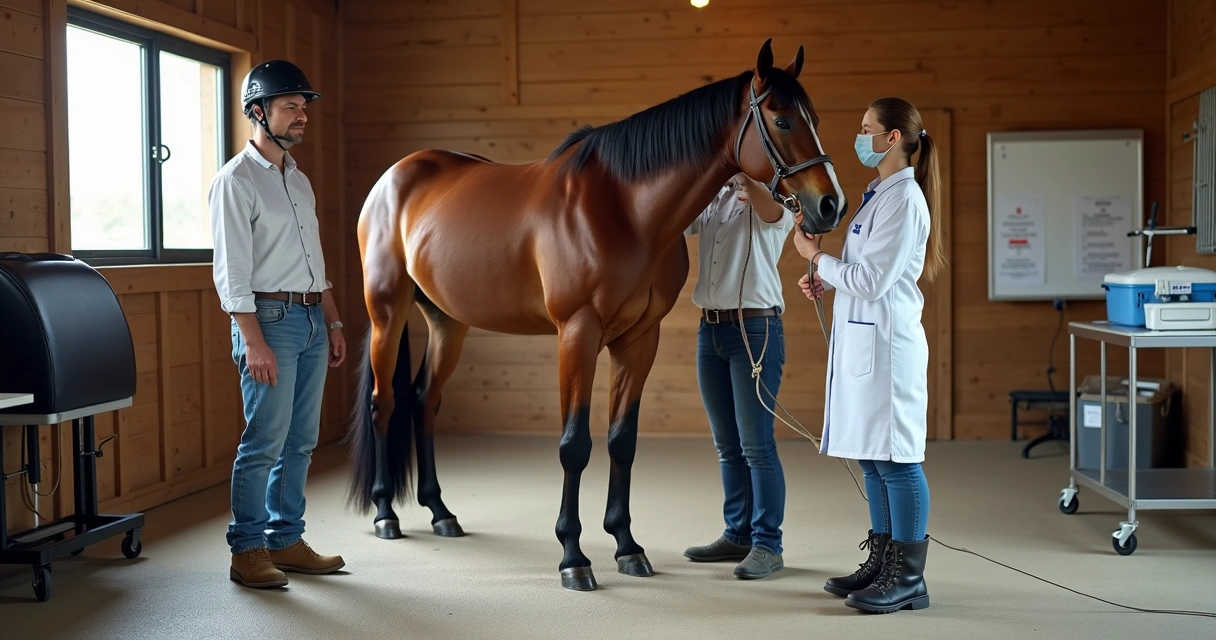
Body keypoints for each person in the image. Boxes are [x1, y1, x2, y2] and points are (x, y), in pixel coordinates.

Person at [791, 97, 944, 613]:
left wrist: (816, 256)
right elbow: (865, 272)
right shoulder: (879, 194)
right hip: (865, 342)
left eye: (867, 129)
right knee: (872, 460)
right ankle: (882, 561)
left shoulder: (905, 200)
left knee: (898, 461)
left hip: (890, 350)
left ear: (893, 138)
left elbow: (874, 281)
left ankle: (909, 579)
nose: (860, 138)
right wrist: (827, 279)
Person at [210, 59, 348, 589]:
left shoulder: (298, 179)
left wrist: (333, 323)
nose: (303, 116)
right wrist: (254, 341)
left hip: (312, 318)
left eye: (304, 107)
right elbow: (232, 274)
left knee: (301, 440)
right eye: (291, 106)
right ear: (257, 111)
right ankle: (247, 550)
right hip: (267, 320)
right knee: (264, 440)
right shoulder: (236, 181)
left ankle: (286, 540)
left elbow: (314, 259)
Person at [682, 173, 794, 580]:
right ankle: (738, 533)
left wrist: (750, 183)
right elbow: (677, 221)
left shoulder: (773, 197)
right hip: (710, 331)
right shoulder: (713, 196)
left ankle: (768, 544)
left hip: (755, 331)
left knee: (756, 446)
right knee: (727, 445)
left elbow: (772, 213)